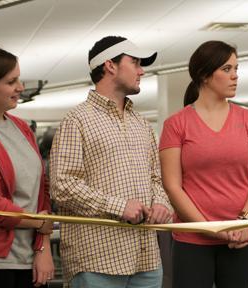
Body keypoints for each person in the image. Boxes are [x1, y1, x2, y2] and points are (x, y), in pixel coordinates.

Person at [50, 36, 173, 288]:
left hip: (146, 259)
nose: (141, 71)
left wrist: (160, 202)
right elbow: (62, 185)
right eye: (135, 62)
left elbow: (155, 178)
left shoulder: (142, 124)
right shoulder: (76, 120)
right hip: (98, 259)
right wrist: (119, 206)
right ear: (110, 65)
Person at [159, 40, 248, 288]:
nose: (235, 76)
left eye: (236, 69)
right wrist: (212, 229)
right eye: (227, 69)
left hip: (244, 236)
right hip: (194, 240)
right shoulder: (176, 124)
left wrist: (244, 221)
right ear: (205, 75)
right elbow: (172, 186)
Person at [0, 45, 54, 287]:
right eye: (11, 82)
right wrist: (39, 223)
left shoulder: (21, 128)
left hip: (29, 260)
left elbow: (42, 194)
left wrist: (42, 247)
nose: (21, 88)